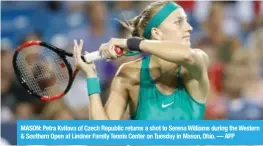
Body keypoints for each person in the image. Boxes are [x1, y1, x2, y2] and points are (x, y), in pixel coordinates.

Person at [73, 1, 209, 120]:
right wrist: (91, 77)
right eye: (179, 22)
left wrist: (131, 43)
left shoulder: (197, 61)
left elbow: (187, 56)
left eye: (186, 21)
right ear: (156, 33)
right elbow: (102, 137)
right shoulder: (129, 74)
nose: (189, 28)